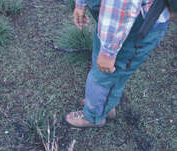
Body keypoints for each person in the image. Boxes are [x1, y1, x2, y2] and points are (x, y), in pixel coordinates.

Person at [64, 0, 170, 128]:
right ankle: (103, 106)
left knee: (106, 75)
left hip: (133, 26)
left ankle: (93, 117)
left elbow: (122, 7)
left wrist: (108, 52)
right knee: (105, 71)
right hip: (115, 23)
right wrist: (80, 5)